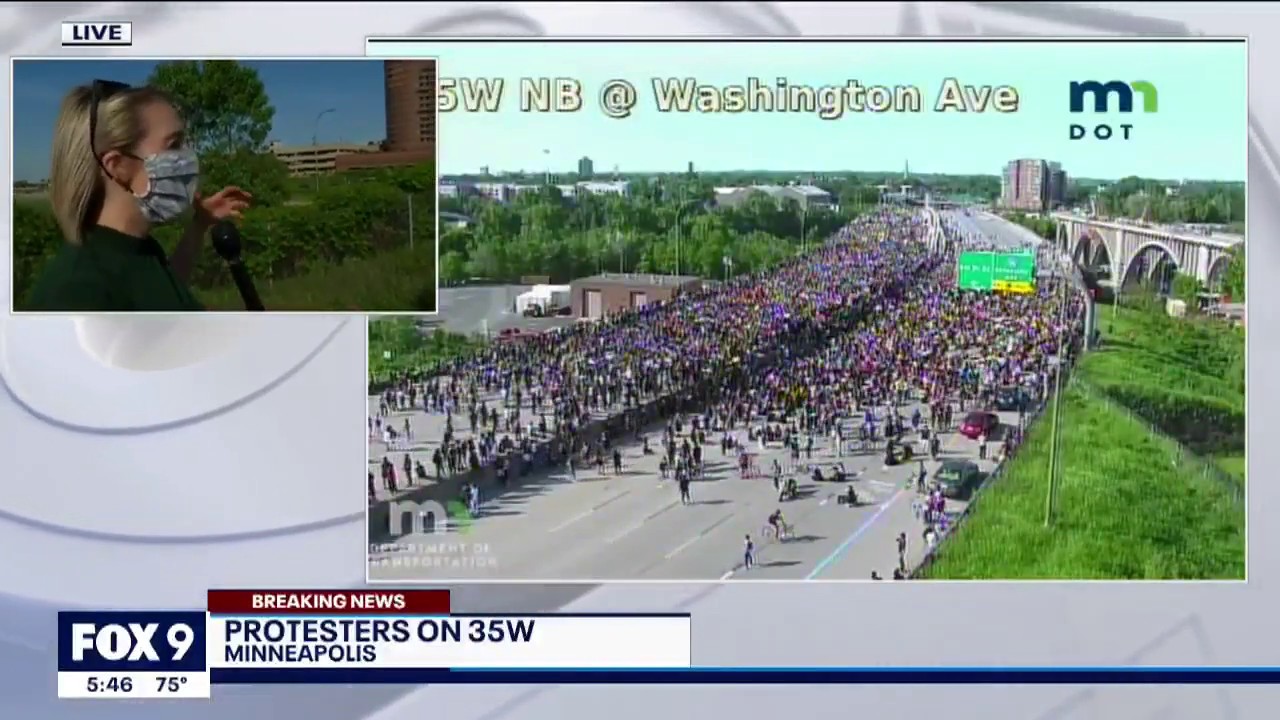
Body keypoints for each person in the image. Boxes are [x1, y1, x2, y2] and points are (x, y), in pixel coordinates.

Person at [25, 80, 251, 311]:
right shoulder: (77, 292)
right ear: (118, 166)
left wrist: (199, 224)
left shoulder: (136, 247)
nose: (188, 156)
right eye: (174, 145)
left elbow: (162, 294)